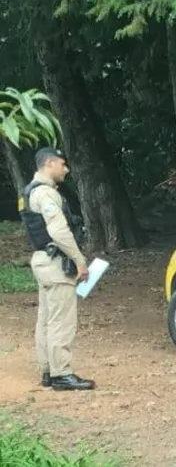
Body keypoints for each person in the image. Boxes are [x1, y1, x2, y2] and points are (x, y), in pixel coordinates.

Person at [18, 147, 94, 391]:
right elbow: (59, 231)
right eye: (63, 164)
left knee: (46, 320)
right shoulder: (46, 194)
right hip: (56, 262)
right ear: (50, 163)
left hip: (43, 260)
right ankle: (62, 374)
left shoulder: (30, 192)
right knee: (62, 320)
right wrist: (80, 261)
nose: (66, 169)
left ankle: (48, 372)